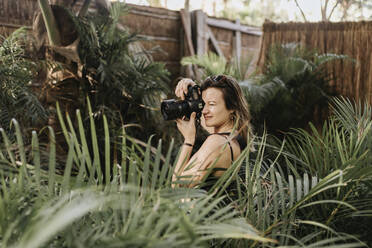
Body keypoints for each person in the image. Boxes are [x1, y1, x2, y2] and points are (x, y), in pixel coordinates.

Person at [172, 74, 252, 188]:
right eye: (203, 104)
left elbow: (178, 186)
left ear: (232, 107)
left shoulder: (215, 143)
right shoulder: (235, 137)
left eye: (212, 104)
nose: (204, 110)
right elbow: (205, 119)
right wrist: (192, 88)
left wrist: (188, 140)